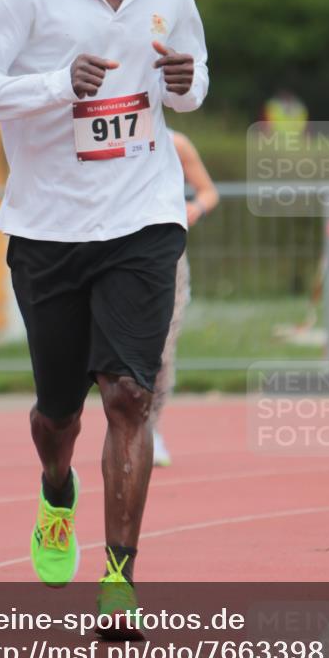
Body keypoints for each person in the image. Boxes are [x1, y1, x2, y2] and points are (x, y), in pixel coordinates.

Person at [0, 0, 208, 627]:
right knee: (58, 411)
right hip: (49, 224)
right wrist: (57, 85)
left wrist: (183, 81)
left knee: (130, 394)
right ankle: (55, 492)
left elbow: (194, 82)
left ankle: (119, 580)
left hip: (142, 214)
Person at [151, 131, 219, 467]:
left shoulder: (176, 144)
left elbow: (209, 191)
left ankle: (151, 428)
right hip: (112, 253)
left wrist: (196, 206)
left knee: (162, 348)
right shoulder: (105, 135)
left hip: (167, 258)